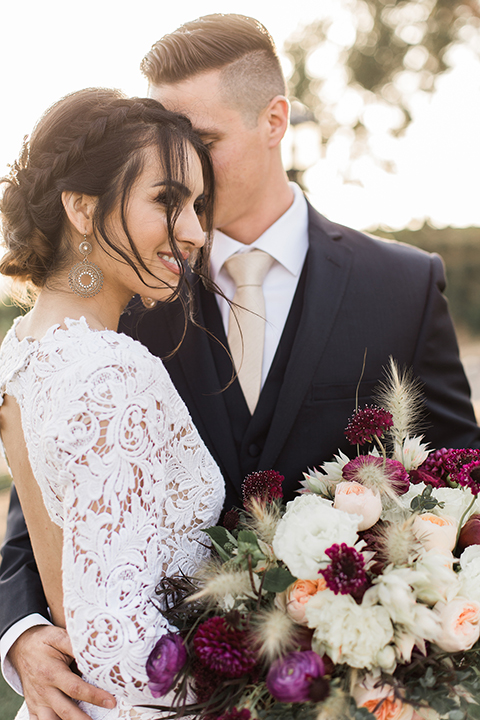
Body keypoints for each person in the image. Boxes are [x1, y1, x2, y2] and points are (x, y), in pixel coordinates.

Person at [1, 12, 480, 720]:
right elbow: (46, 492)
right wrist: (19, 631)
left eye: (201, 141)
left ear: (275, 119)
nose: (178, 162)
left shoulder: (402, 285)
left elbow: (457, 468)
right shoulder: (125, 283)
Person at [0, 87, 225, 719]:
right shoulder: (112, 369)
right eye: (168, 201)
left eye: (198, 205)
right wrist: (271, 697)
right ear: (81, 207)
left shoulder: (23, 349)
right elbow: (113, 635)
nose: (195, 231)